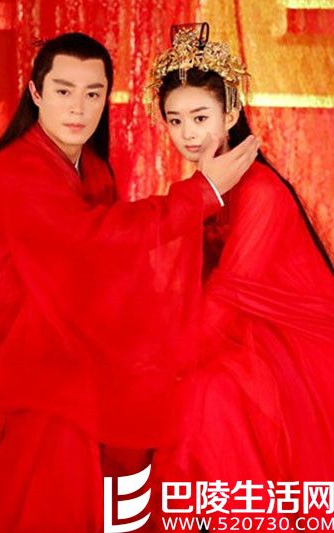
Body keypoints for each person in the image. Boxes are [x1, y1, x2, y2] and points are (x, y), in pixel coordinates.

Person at [0, 32, 258, 532]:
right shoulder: (15, 171)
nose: (78, 108)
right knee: (72, 426)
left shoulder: (93, 169)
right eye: (63, 91)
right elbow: (93, 242)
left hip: (61, 343)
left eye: (93, 93)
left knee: (186, 382)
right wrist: (200, 194)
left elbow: (113, 271)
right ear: (36, 92)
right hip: (8, 359)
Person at [147, 23, 334, 532]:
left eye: (200, 117)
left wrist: (168, 362)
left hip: (290, 344)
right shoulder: (203, 186)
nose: (188, 134)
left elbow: (229, 294)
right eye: (175, 120)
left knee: (208, 396)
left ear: (230, 114)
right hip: (231, 331)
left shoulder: (261, 192)